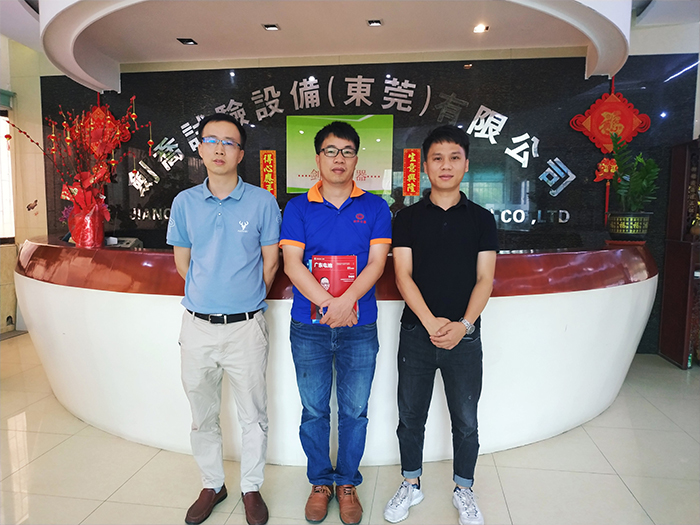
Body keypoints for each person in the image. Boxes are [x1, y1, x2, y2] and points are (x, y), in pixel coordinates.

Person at [166, 113, 281, 525]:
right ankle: (213, 484)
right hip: (197, 326)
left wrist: (241, 299)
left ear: (241, 153)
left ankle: (251, 487)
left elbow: (270, 263)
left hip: (246, 327)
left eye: (229, 142)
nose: (219, 149)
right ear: (200, 148)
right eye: (211, 140)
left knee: (253, 415)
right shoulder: (185, 203)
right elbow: (184, 263)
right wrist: (211, 295)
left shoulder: (262, 202)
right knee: (202, 414)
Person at [383, 125, 498, 525]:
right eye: (437, 158)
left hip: (465, 338)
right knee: (410, 417)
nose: (445, 165)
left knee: (466, 421)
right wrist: (431, 322)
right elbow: (403, 276)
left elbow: (485, 279)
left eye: (453, 158)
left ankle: (464, 488)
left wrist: (463, 325)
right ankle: (410, 483)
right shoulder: (407, 218)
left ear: (466, 164)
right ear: (425, 166)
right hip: (417, 334)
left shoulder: (482, 219)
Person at [280, 121, 392, 525]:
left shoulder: (376, 207)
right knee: (313, 410)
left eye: (347, 151)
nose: (338, 158)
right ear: (318, 158)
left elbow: (377, 263)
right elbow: (292, 264)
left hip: (359, 326)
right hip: (309, 326)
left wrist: (346, 304)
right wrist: (331, 304)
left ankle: (346, 483)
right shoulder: (297, 208)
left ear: (357, 159)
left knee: (354, 410)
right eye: (330, 151)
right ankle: (319, 483)